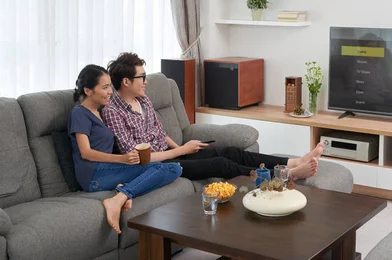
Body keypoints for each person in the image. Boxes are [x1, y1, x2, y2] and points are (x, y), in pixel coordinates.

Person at [102, 53, 322, 181]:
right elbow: (139, 158)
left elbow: (160, 133)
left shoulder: (144, 100)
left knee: (231, 152)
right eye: (141, 77)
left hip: (172, 153)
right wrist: (181, 151)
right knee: (221, 164)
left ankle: (292, 162)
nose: (146, 81)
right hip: (157, 167)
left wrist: (181, 147)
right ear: (126, 82)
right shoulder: (113, 112)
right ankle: (283, 177)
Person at [69, 64, 183, 234]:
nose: (110, 92)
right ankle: (118, 198)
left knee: (175, 168)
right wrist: (122, 159)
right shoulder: (79, 113)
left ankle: (124, 192)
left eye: (110, 86)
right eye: (105, 87)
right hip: (93, 174)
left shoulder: (98, 112)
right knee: (159, 167)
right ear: (88, 91)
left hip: (107, 170)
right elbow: (86, 152)